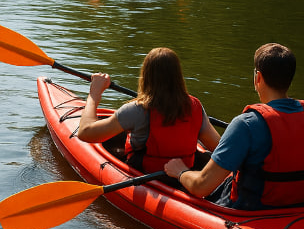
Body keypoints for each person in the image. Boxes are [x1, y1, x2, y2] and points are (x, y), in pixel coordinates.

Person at [164, 43, 304, 210]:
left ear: (258, 77)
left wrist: (180, 172)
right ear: (290, 78)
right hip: (303, 206)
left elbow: (201, 187)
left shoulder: (246, 124)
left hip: (251, 211)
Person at [77, 47, 220, 175]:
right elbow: (219, 148)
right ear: (178, 76)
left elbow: (85, 133)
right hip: (182, 174)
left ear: (146, 76)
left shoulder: (136, 110)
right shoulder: (195, 106)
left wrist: (94, 94)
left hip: (146, 174)